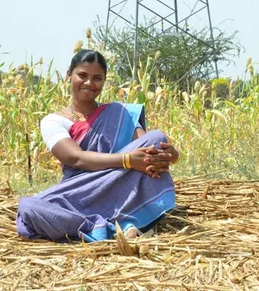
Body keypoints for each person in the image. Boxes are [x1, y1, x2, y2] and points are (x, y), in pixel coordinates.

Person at [17, 50, 178, 242]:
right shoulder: (53, 121)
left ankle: (127, 221)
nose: (89, 83)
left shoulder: (120, 113)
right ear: (69, 75)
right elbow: (74, 158)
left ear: (104, 81)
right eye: (82, 76)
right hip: (82, 190)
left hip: (120, 182)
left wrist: (172, 154)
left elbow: (145, 149)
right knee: (29, 208)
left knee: (156, 137)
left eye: (97, 78)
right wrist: (127, 160)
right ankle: (100, 226)